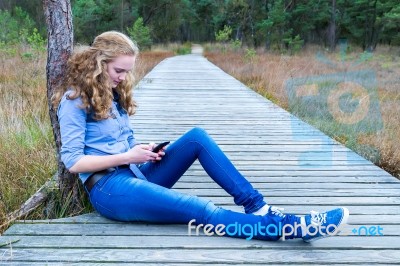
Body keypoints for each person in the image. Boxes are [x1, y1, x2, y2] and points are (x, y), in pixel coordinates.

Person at [52, 31, 349, 242]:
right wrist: (129, 156)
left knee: (196, 138)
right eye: (119, 70)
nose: (123, 78)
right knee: (199, 208)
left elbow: (122, 143)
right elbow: (73, 162)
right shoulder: (74, 100)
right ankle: (287, 228)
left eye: (127, 72)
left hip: (135, 173)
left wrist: (143, 150)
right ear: (98, 63)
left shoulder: (113, 95)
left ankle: (257, 206)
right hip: (109, 190)